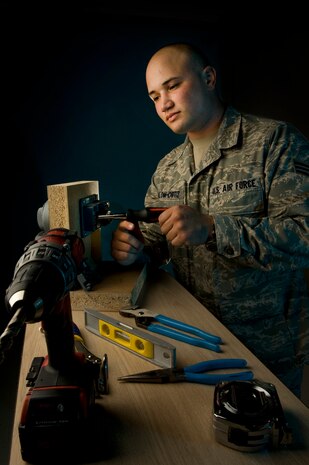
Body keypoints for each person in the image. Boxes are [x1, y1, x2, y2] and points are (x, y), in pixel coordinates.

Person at [111, 42, 309, 398]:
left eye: (172, 86)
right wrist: (134, 249)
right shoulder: (168, 169)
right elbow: (156, 248)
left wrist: (215, 228)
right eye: (154, 96)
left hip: (269, 347)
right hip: (196, 337)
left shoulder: (275, 142)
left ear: (208, 78)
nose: (164, 104)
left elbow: (304, 237)